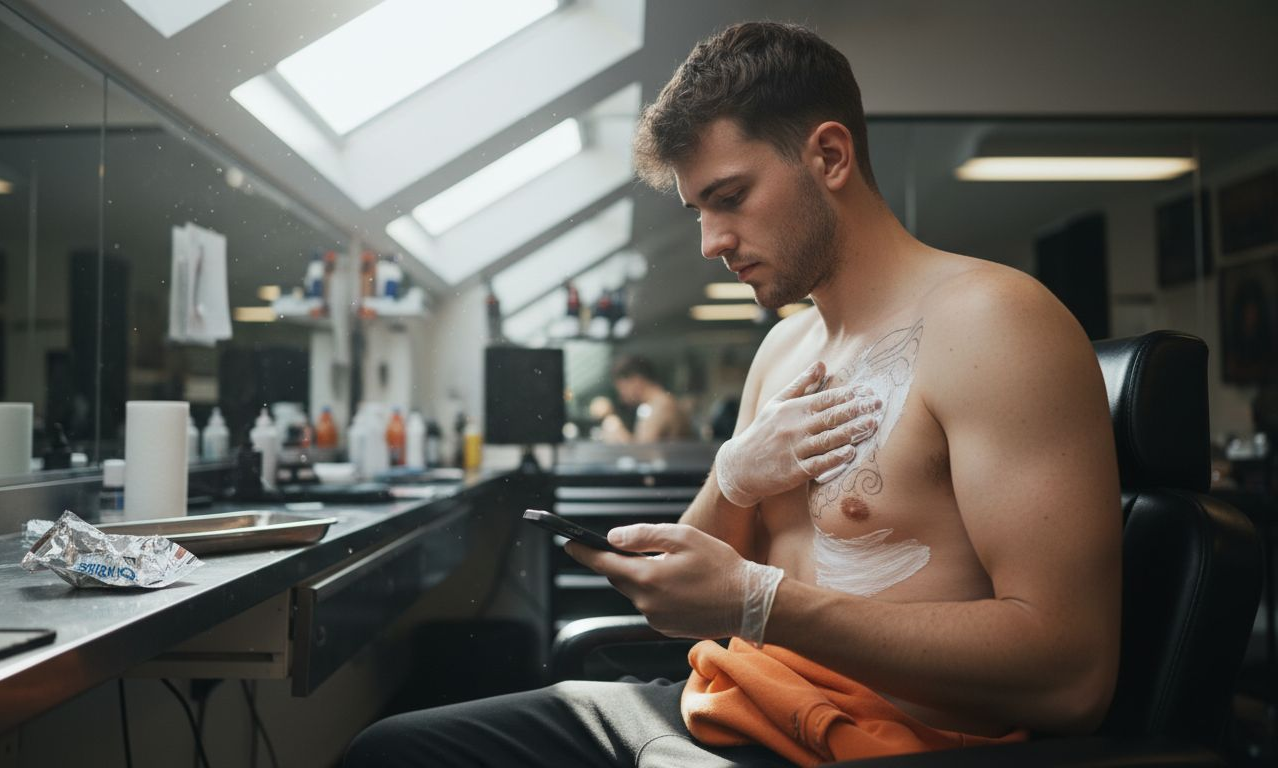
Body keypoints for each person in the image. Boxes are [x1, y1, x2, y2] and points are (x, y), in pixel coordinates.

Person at [346, 21, 1120, 767]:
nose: (711, 242)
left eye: (730, 196)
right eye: (698, 211)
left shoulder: (993, 323)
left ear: (830, 155)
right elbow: (689, 598)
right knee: (391, 750)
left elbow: (1071, 676)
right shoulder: (784, 349)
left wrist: (760, 604)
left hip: (863, 742)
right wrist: (731, 476)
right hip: (722, 703)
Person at [590, 355, 693, 443]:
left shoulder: (660, 406)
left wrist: (617, 431)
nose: (621, 397)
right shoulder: (655, 404)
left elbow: (643, 455)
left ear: (636, 380)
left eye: (621, 389)